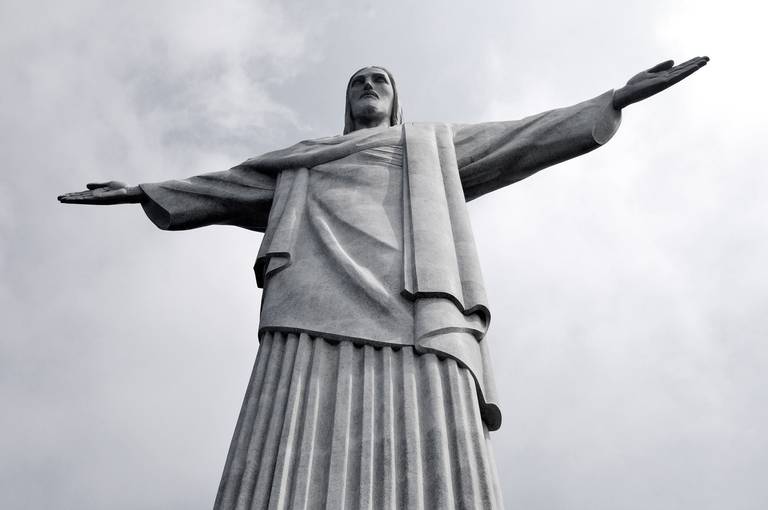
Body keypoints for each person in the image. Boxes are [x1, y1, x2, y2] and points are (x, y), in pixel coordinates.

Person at [59, 57, 708, 509]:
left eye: (380, 80)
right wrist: (139, 190)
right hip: (311, 288)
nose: (369, 86)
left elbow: (525, 135)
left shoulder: (430, 144)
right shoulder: (300, 160)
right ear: (346, 102)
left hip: (420, 296)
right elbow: (221, 187)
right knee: (295, 411)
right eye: (358, 82)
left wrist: (614, 99)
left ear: (397, 98)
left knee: (433, 405)